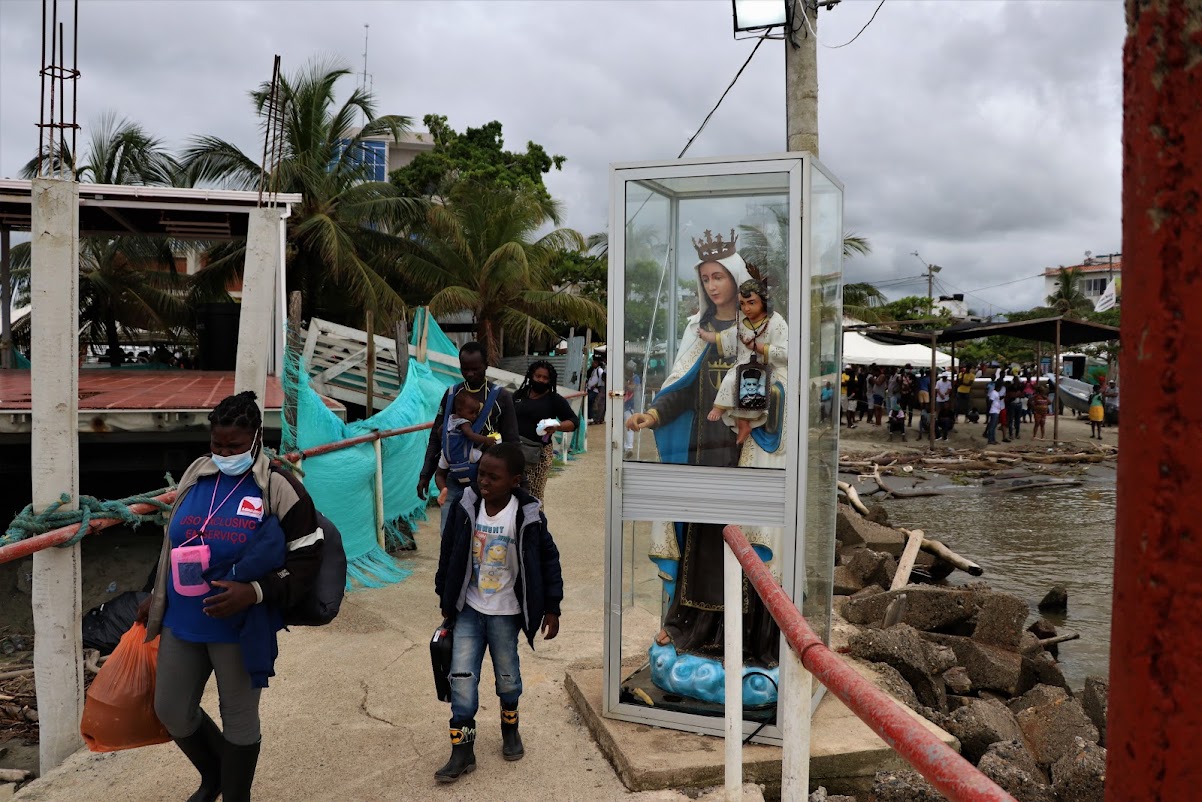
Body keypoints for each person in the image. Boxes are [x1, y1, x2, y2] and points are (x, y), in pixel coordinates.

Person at [136, 391, 323, 802]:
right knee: (171, 709)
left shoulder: (277, 486)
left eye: (234, 446)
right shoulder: (197, 473)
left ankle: (236, 795)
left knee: (238, 716)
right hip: (183, 619)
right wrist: (156, 590)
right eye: (217, 444)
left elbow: (309, 556)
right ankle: (216, 776)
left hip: (239, 625)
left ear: (256, 438)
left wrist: (255, 592)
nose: (224, 454)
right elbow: (173, 540)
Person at [625, 228, 781, 679]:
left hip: (744, 453)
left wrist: (759, 407)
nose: (712, 285)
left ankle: (747, 640)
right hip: (702, 453)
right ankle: (688, 628)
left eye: (719, 276)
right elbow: (680, 387)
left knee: (742, 541)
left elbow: (777, 381)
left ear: (735, 278)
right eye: (706, 278)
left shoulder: (761, 329)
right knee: (700, 541)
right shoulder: (698, 329)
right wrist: (653, 414)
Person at [433, 444, 563, 783]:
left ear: (515, 481)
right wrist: (444, 594)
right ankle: (462, 750)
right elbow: (449, 551)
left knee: (507, 676)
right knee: (461, 677)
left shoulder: (528, 515)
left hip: (506, 612)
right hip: (469, 609)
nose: (484, 481)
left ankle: (510, 728)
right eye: (481, 474)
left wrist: (552, 607)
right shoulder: (467, 507)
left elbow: (548, 560)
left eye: (494, 477)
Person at [418, 342, 520, 535]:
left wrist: (519, 486)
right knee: (449, 535)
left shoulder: (501, 397)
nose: (470, 374)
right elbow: (436, 438)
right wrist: (425, 474)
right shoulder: (451, 395)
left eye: (476, 369)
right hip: (455, 479)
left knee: (482, 538)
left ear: (486, 365)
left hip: (488, 483)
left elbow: (512, 443)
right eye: (465, 369)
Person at [702, 267, 788, 445]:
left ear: (763, 301)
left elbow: (786, 354)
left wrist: (759, 347)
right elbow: (728, 337)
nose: (746, 308)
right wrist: (710, 336)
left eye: (751, 303)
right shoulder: (743, 323)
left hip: (768, 369)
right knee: (731, 379)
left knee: (748, 385)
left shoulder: (776, 322)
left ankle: (743, 422)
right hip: (742, 366)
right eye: (742, 304)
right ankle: (739, 422)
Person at [512, 360, 578, 503]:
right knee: (512, 492)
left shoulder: (554, 400)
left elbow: (573, 422)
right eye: (538, 376)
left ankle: (535, 517)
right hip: (515, 450)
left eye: (545, 378)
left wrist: (557, 427)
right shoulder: (519, 395)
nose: (541, 380)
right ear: (531, 375)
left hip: (539, 454)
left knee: (533, 495)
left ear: (550, 380)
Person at [434, 391, 496, 507]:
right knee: (484, 459)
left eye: (476, 413)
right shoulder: (464, 422)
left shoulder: (449, 420)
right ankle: (485, 479)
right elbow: (470, 435)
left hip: (447, 455)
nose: (474, 416)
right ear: (459, 410)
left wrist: (445, 443)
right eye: (471, 412)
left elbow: (439, 431)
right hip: (464, 453)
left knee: (439, 474)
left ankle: (443, 489)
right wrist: (486, 440)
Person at [586, 357, 607, 424]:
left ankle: (595, 418)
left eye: (593, 362)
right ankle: (592, 418)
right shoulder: (594, 370)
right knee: (590, 403)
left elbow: (601, 380)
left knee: (594, 404)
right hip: (591, 389)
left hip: (595, 390)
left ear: (597, 363)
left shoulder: (599, 370)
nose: (592, 363)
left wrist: (595, 386)